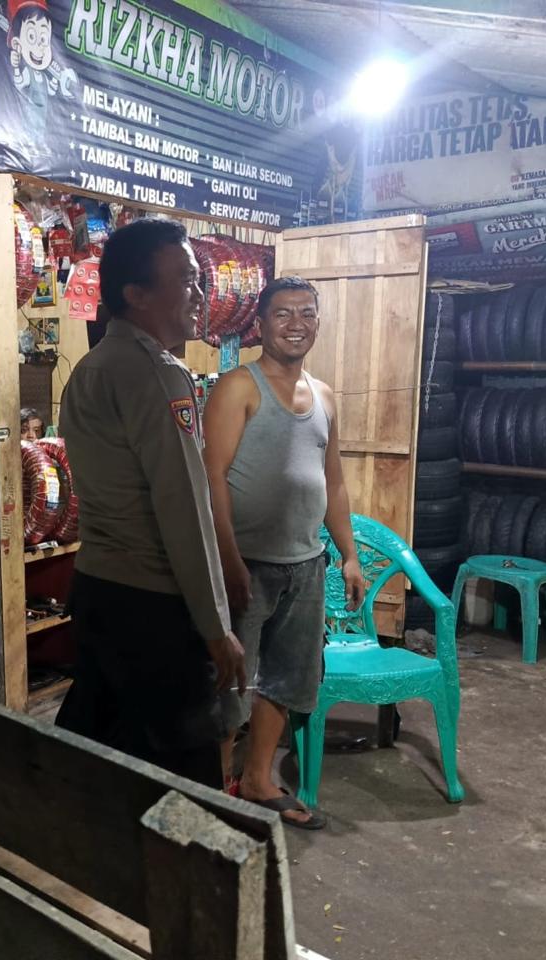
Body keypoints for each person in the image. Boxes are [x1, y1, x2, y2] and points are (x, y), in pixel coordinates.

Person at [56, 217, 246, 788]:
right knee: (184, 778)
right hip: (153, 609)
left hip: (98, 590)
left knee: (104, 761)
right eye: (185, 280)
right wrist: (216, 626)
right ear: (135, 294)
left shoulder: (90, 370)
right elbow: (183, 506)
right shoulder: (157, 374)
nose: (199, 294)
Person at [202, 275, 367, 829]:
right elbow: (212, 478)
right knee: (228, 686)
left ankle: (257, 780)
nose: (296, 324)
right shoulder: (238, 387)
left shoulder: (324, 396)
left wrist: (348, 554)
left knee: (287, 680)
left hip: (306, 564)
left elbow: (333, 482)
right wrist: (227, 560)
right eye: (283, 314)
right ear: (260, 324)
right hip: (245, 566)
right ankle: (214, 793)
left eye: (307, 314)